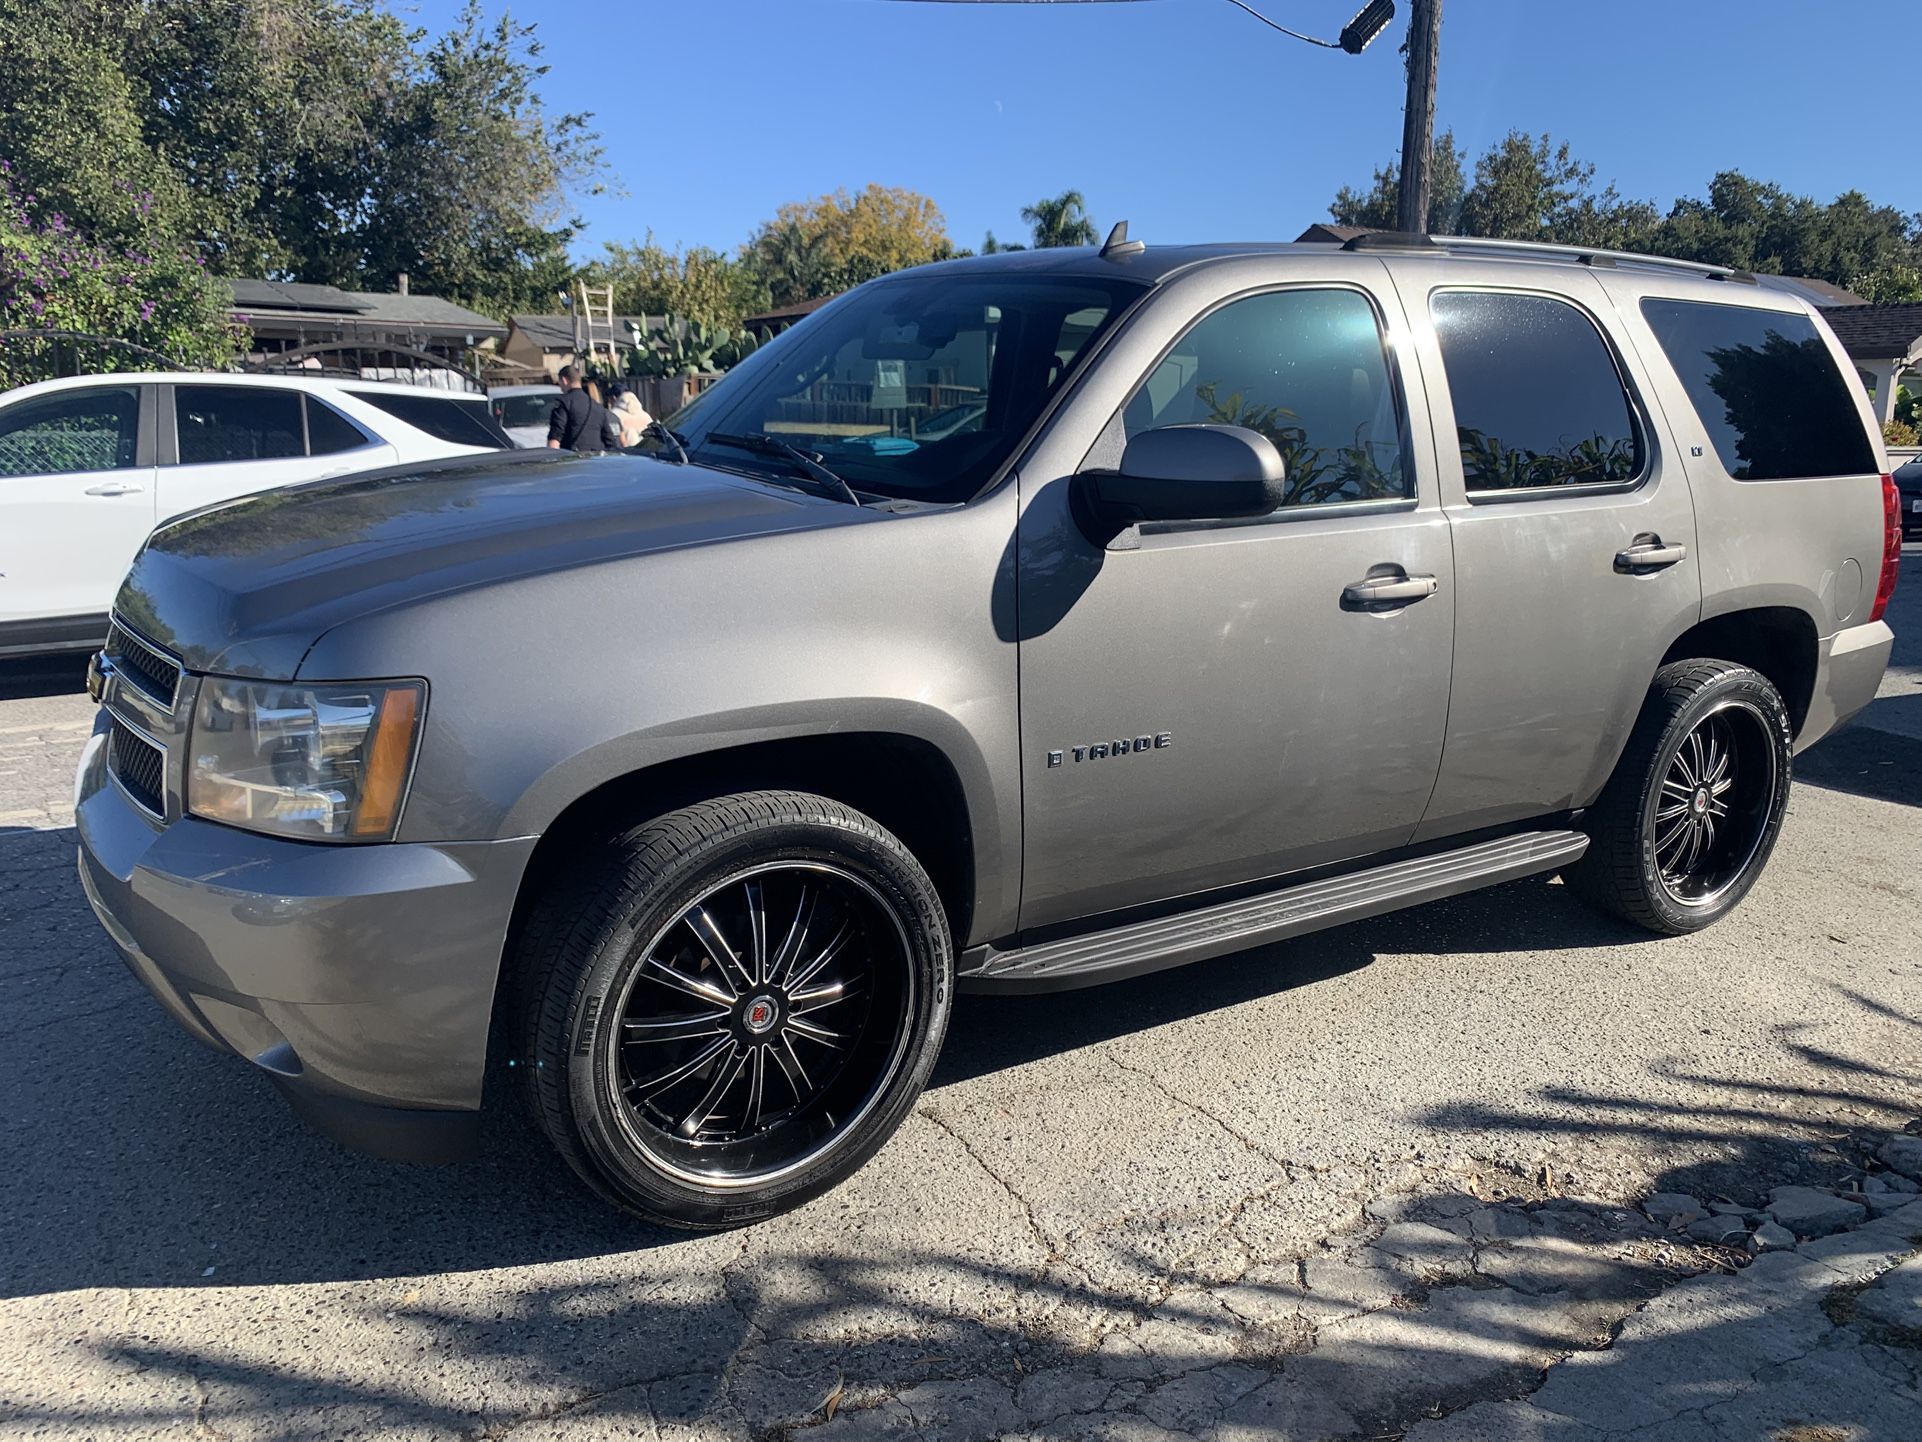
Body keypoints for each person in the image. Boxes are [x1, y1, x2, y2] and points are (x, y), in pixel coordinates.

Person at [545, 365, 610, 454]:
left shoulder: (564, 403)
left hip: (574, 460)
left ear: (564, 380)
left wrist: (552, 460)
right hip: (596, 459)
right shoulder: (597, 406)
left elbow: (556, 435)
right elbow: (609, 439)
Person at [606, 383, 653, 448]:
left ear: (613, 398)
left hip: (627, 455)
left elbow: (613, 438)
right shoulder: (646, 416)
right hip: (649, 454)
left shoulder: (613, 415)